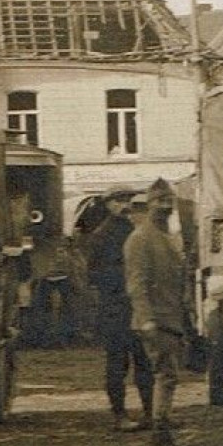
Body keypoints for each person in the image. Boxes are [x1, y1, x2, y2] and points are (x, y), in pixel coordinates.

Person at [124, 183, 191, 446]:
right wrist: (147, 318)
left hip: (170, 318)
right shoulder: (140, 239)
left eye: (169, 202)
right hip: (154, 320)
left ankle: (160, 433)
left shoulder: (167, 238)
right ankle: (159, 438)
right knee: (166, 377)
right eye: (159, 202)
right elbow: (136, 284)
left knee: (167, 377)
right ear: (148, 205)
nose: (165, 207)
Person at [87, 185, 153, 432]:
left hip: (136, 306)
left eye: (127, 200)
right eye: (119, 201)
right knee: (117, 363)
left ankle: (149, 412)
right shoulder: (101, 236)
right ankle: (119, 415)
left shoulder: (136, 231)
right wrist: (123, 277)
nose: (124, 205)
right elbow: (92, 274)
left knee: (144, 361)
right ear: (108, 204)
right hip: (115, 307)